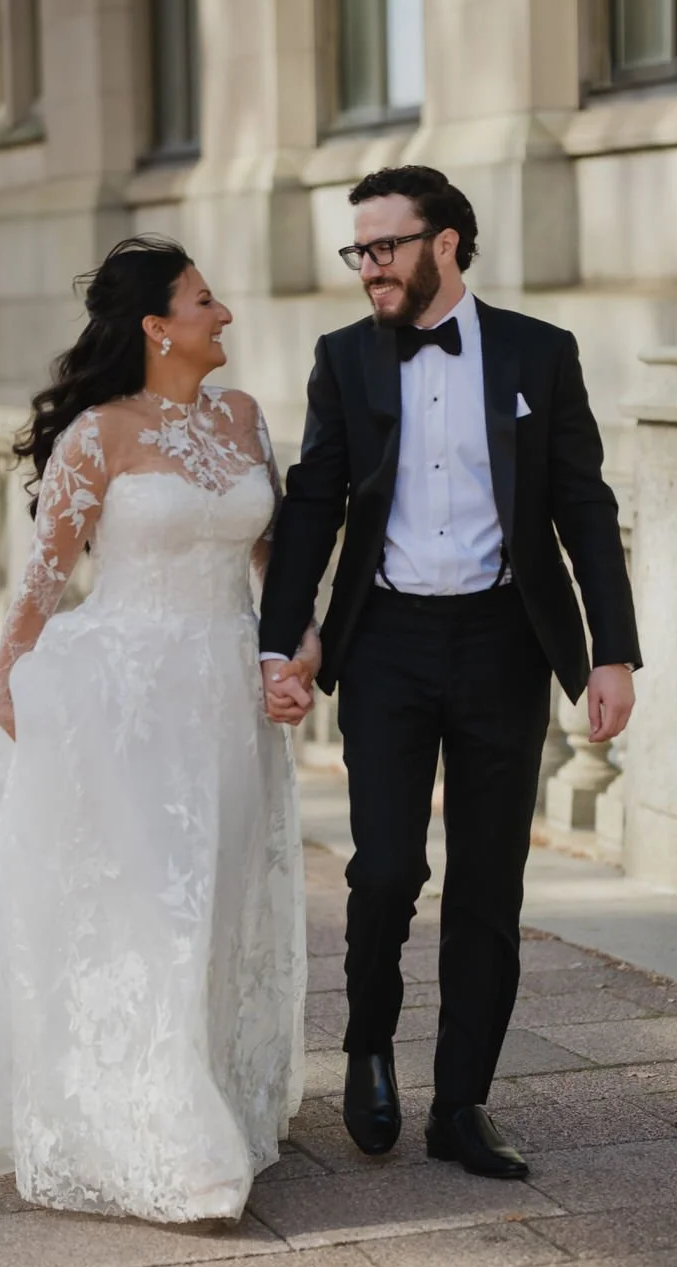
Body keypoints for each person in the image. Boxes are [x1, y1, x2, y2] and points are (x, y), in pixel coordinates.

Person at [0, 236, 315, 1224]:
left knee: (217, 897)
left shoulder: (246, 418)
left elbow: (272, 560)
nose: (223, 316)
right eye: (203, 300)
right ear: (155, 325)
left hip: (226, 697)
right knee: (150, 908)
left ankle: (212, 1082)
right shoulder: (99, 435)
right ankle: (165, 1138)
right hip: (126, 698)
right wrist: (9, 675)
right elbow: (44, 577)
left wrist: (292, 652)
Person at [260, 167, 641, 1179]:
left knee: (486, 883)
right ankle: (367, 1045)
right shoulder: (344, 359)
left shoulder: (537, 352)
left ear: (448, 242)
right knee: (385, 867)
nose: (367, 267)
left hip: (502, 644)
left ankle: (463, 1105)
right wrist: (279, 638)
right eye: (359, 249)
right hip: (383, 642)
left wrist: (611, 650)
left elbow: (582, 505)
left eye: (384, 246)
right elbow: (311, 503)